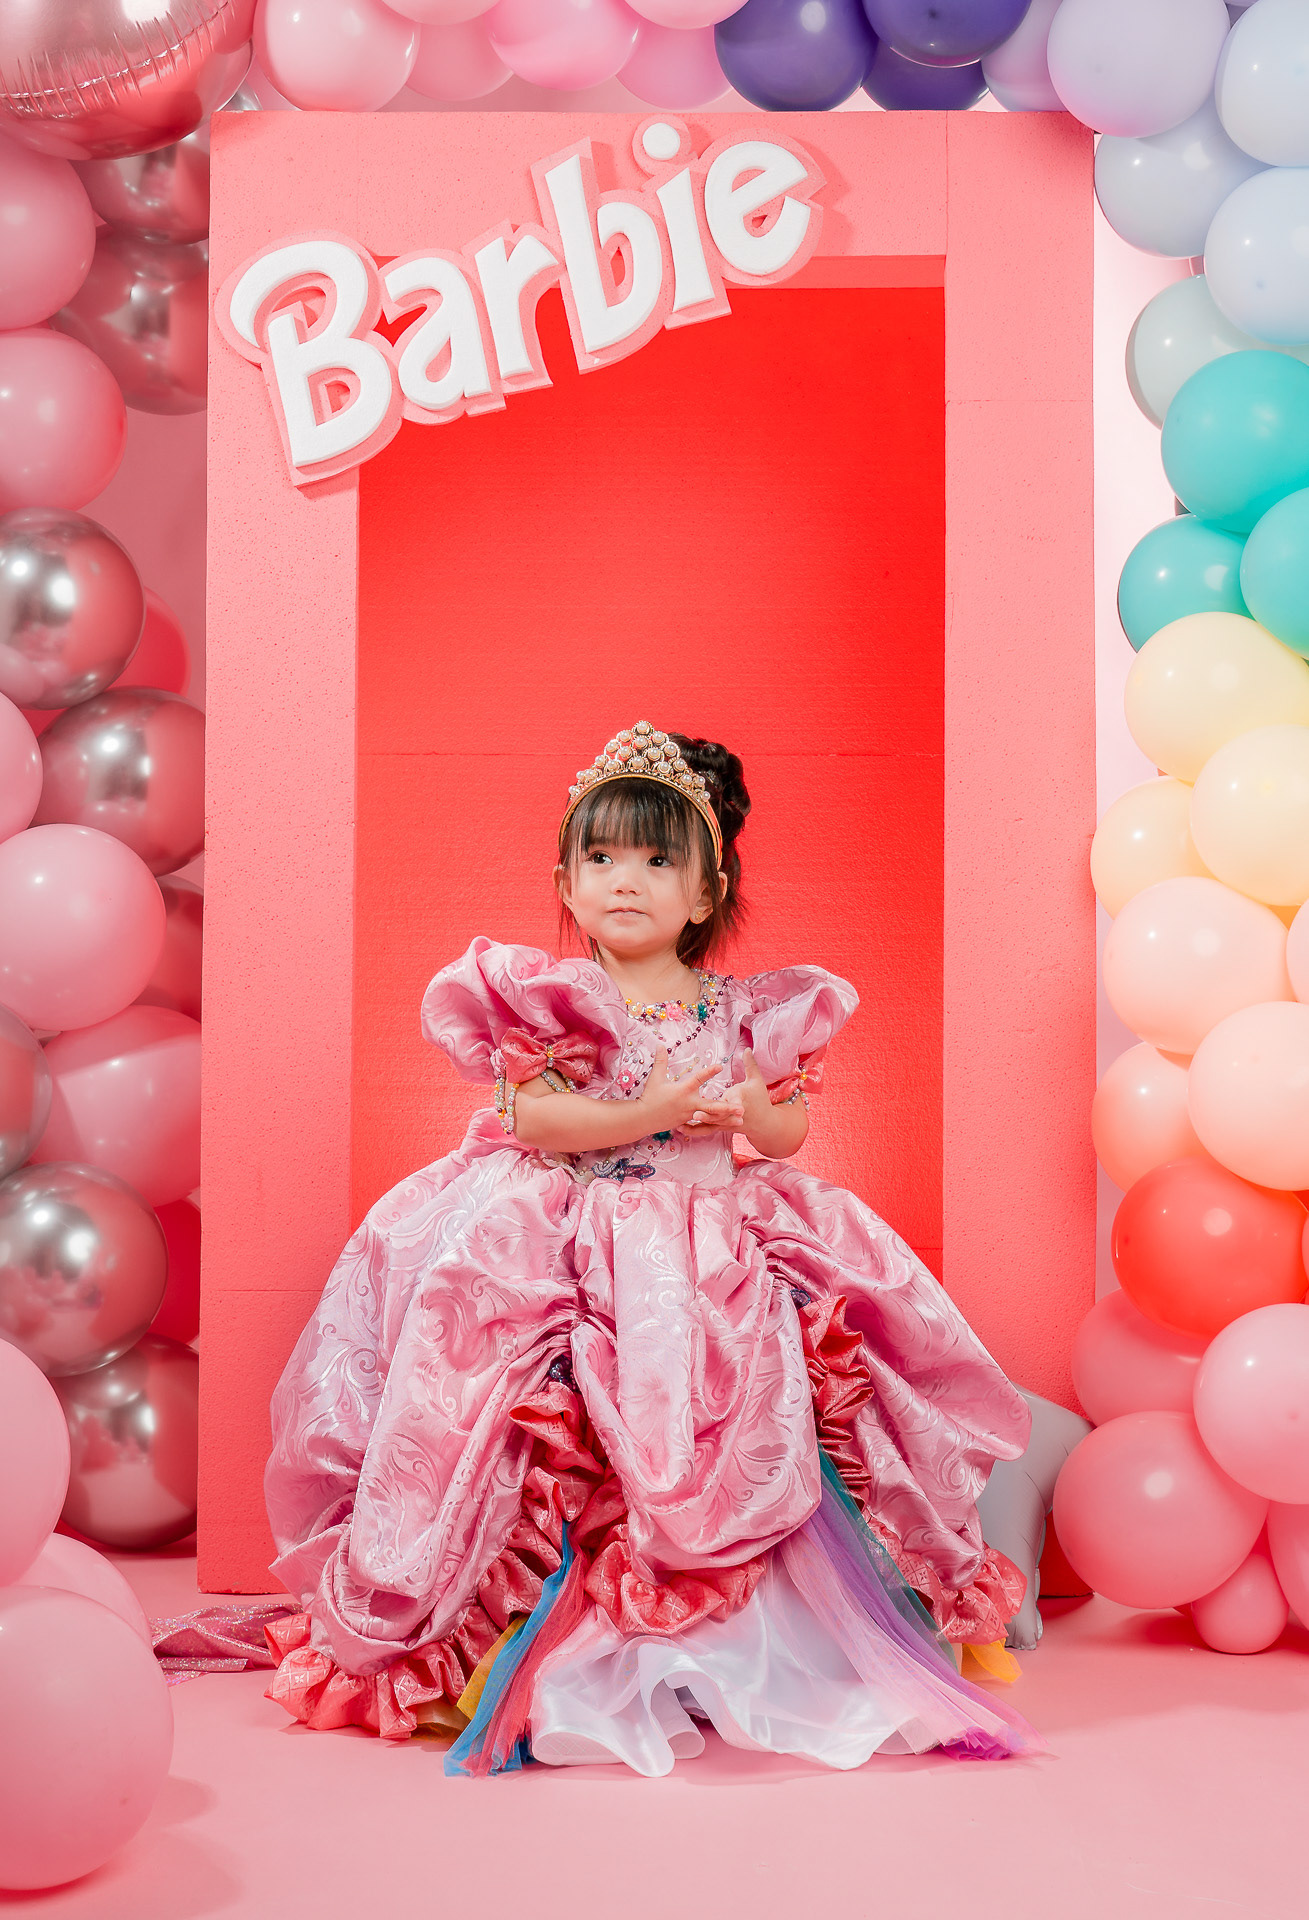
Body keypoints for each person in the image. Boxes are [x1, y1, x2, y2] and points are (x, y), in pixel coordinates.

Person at [263, 723, 1041, 1774]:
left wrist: (747, 1115)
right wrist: (649, 1112)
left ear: (705, 893)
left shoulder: (736, 1009)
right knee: (530, 1401)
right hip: (581, 1228)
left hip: (708, 1241)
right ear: (567, 883)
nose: (624, 880)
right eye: (601, 858)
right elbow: (538, 1118)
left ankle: (756, 1632)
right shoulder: (554, 1000)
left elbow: (784, 1129)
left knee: (750, 1400)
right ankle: (535, 1629)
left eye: (657, 861)